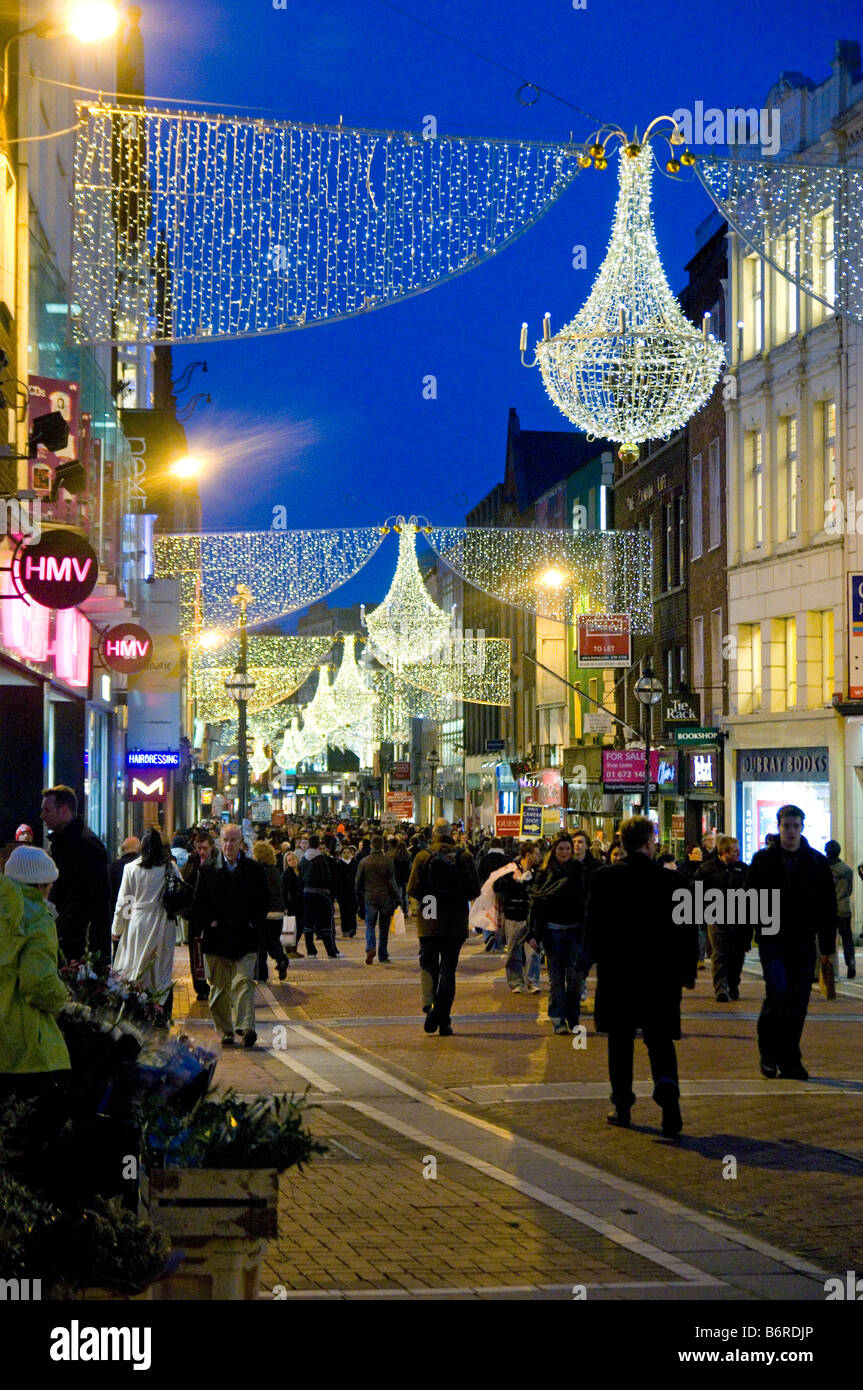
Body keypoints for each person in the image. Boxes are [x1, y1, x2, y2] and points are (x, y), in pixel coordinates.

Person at [586, 816, 698, 1135]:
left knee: (620, 1041)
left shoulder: (604, 879)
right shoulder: (674, 882)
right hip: (660, 975)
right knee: (660, 1039)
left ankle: (622, 1104)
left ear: (622, 842)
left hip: (619, 974)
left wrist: (589, 964)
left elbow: (594, 928)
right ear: (650, 843)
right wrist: (687, 971)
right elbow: (687, 931)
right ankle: (668, 1096)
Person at [745, 805, 836, 1080]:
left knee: (798, 1002)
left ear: (802, 828)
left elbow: (827, 909)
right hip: (773, 940)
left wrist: (828, 950)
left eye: (796, 826)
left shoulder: (817, 863)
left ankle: (790, 1058)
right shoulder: (763, 860)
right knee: (778, 993)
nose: (792, 832)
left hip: (803, 942)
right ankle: (769, 1054)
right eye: (787, 826)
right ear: (779, 827)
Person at [0, 847, 70, 1104]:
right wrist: (62, 999)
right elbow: (37, 982)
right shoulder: (35, 915)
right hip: (25, 1046)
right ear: (40, 885)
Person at [193, 823, 269, 1047]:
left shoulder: (254, 870)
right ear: (220, 842)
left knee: (244, 982)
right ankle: (225, 1030)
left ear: (240, 843)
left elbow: (263, 899)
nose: (228, 845)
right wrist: (209, 922)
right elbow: (199, 903)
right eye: (225, 840)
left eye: (233, 840)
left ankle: (246, 1028)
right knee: (219, 988)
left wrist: (254, 922)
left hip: (245, 936)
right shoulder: (207, 870)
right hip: (217, 939)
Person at [408, 818, 479, 1036]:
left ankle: (431, 1007)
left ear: (434, 833)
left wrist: (429, 899)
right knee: (449, 969)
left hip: (429, 919)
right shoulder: (464, 857)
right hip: (455, 921)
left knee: (429, 965)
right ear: (451, 833)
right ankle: (443, 1019)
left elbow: (413, 888)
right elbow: (474, 890)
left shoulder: (423, 857)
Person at [526, 834, 590, 1035]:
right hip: (553, 932)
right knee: (555, 979)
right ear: (554, 850)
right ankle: (557, 1019)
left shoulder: (580, 872)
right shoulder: (545, 873)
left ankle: (572, 1016)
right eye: (561, 849)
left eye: (567, 849)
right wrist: (533, 932)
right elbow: (535, 904)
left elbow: (588, 902)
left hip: (575, 932)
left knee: (574, 979)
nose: (564, 853)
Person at [111, 828, 178, 1019]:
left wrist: (117, 929)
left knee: (136, 967)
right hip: (164, 922)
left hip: (138, 922)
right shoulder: (169, 867)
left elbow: (124, 902)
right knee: (162, 970)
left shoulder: (131, 868)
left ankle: (139, 1010)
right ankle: (162, 1011)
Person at [41, 784, 110, 963]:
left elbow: (91, 900)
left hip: (77, 942)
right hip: (70, 936)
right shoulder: (68, 842)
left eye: (47, 810)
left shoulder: (84, 845)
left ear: (64, 811)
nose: (42, 816)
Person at [693, 835, 750, 1001]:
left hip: (739, 919)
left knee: (737, 955)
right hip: (716, 918)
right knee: (720, 954)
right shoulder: (707, 869)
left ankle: (733, 985)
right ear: (724, 852)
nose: (738, 853)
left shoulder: (744, 869)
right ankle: (721, 988)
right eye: (735, 850)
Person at [494, 840, 541, 993]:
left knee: (533, 950)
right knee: (513, 951)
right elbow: (499, 887)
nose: (540, 856)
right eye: (537, 854)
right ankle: (516, 983)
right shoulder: (510, 869)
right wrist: (516, 883)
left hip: (530, 917)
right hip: (513, 916)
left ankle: (532, 982)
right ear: (528, 855)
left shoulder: (538, 872)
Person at [183, 831, 219, 1001]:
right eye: (199, 848)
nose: (202, 851)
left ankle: (217, 982)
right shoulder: (192, 861)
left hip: (214, 916)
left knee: (215, 951)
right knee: (195, 951)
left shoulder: (219, 863)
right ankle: (200, 986)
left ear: (211, 847)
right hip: (195, 914)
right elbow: (184, 882)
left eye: (204, 848)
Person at [356, 836, 400, 964]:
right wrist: (397, 898)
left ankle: (370, 947)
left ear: (371, 845)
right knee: (383, 927)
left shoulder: (364, 861)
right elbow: (392, 882)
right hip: (385, 897)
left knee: (370, 925)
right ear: (382, 846)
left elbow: (358, 882)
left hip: (370, 896)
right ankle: (383, 954)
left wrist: (359, 897)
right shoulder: (387, 861)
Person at [251, 841, 291, 982]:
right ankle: (281, 959)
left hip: (264, 912)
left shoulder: (257, 871)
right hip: (278, 912)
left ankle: (261, 974)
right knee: (273, 941)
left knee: (261, 944)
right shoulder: (275, 870)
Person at [299, 834, 339, 958]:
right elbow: (328, 877)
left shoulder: (304, 859)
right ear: (318, 844)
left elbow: (301, 877)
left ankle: (311, 951)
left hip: (306, 893)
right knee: (326, 923)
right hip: (322, 893)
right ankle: (330, 951)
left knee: (308, 924)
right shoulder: (321, 859)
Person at [826, 841, 855, 979]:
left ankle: (830, 968)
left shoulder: (823, 868)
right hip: (843, 907)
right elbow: (849, 890)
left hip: (829, 910)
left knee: (828, 940)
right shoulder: (847, 870)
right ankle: (851, 961)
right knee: (847, 938)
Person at [333, 844, 359, 938]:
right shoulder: (338, 865)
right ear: (341, 854)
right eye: (344, 852)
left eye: (348, 852)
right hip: (342, 893)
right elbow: (336, 880)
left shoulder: (355, 863)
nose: (347, 854)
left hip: (353, 892)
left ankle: (353, 929)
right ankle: (345, 929)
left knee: (353, 911)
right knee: (344, 912)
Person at [109, 836, 141, 913]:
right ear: (139, 849)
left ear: (123, 849)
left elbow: (110, 892)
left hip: (120, 909)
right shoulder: (144, 865)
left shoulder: (114, 867)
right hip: (139, 910)